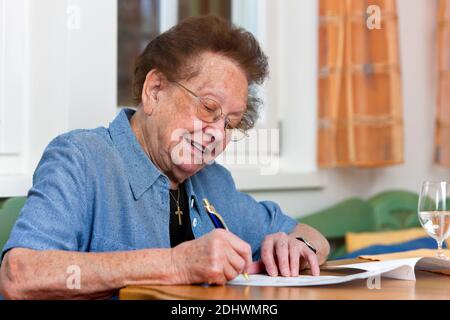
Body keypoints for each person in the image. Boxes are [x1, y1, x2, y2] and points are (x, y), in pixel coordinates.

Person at [0, 16, 329, 299]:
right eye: (208, 108)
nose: (216, 132)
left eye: (229, 123)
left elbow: (312, 237)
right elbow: (21, 275)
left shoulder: (215, 182)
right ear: (154, 90)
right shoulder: (81, 159)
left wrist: (296, 247)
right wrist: (177, 264)